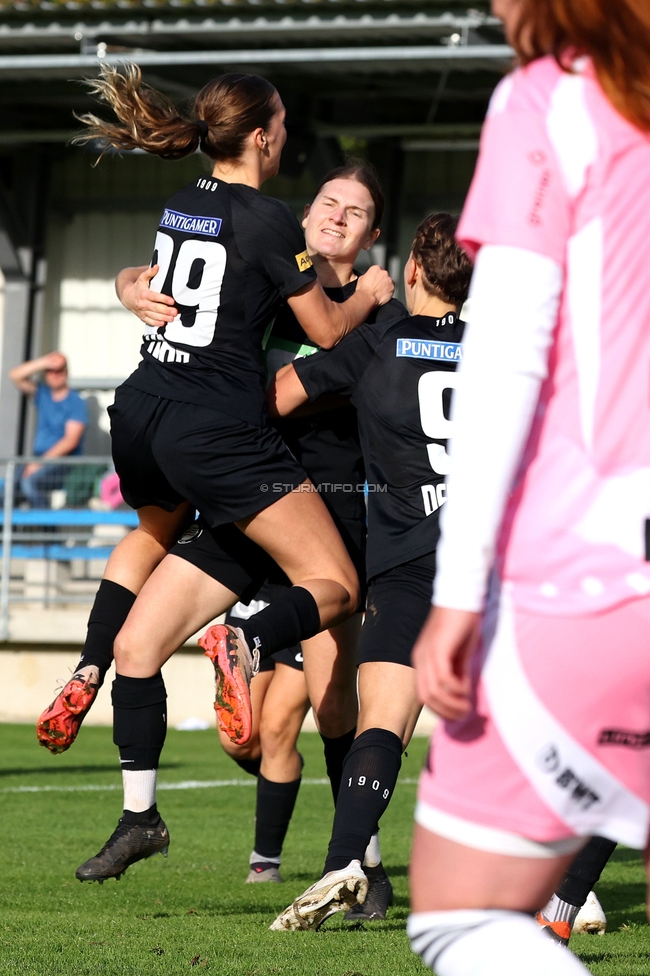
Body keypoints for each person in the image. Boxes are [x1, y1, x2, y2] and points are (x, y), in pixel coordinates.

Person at [56, 66, 393, 882]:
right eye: (331, 204)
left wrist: (133, 281)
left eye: (358, 211)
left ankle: (359, 866)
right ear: (264, 140)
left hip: (238, 459)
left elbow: (184, 277)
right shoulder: (283, 244)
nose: (338, 215)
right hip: (247, 468)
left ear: (375, 231)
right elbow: (305, 341)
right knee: (321, 606)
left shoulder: (206, 211)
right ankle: (236, 647)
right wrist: (130, 283)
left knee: (323, 700)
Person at [407, 2, 650, 976]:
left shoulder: (549, 101)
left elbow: (501, 360)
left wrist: (456, 594)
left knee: (463, 918)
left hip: (594, 568)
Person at [267, 213, 472, 929]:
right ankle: (566, 882)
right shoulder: (497, 350)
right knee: (513, 728)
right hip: (489, 567)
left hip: (409, 566)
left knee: (383, 724)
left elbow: (283, 394)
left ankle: (342, 863)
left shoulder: (377, 343)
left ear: (413, 269)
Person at [5, 351, 87, 507]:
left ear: (66, 373)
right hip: (38, 458)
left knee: (30, 483)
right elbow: (14, 375)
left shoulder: (76, 402)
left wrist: (39, 463)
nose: (55, 375)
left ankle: (46, 530)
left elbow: (70, 441)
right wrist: (44, 362)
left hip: (63, 463)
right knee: (8, 487)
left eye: (59, 370)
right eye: (50, 371)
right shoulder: (43, 395)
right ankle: (10, 529)